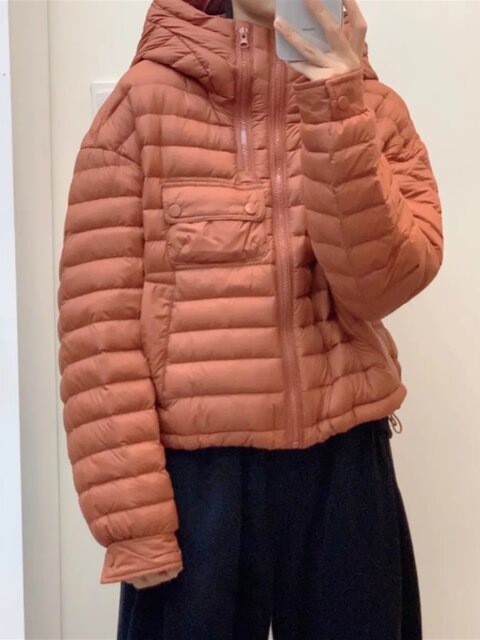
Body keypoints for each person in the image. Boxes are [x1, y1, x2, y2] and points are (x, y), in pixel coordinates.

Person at [56, 0, 443, 637]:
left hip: (345, 466)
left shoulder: (372, 108)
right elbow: (98, 327)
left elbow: (383, 286)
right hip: (194, 486)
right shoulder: (139, 108)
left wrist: (335, 102)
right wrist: (132, 524)